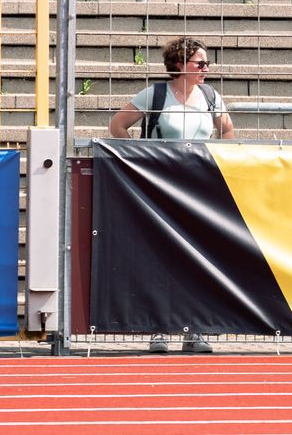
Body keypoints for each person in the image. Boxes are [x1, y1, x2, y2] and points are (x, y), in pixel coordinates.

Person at [107, 35, 233, 353]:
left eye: (207, 64)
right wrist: (139, 157)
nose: (206, 69)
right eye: (200, 63)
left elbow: (227, 129)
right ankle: (159, 329)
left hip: (200, 188)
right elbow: (117, 125)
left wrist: (220, 158)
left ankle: (194, 329)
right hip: (161, 187)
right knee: (161, 258)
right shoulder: (156, 95)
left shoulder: (210, 96)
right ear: (180, 65)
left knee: (197, 259)